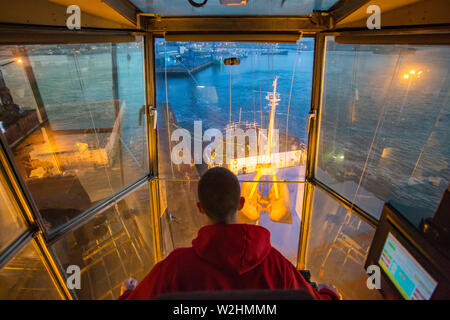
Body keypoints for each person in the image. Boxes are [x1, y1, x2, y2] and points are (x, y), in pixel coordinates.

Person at [119, 167, 340, 300]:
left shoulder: (175, 267)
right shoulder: (276, 265)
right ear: (241, 203)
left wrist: (127, 292)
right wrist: (329, 294)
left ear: (200, 208)